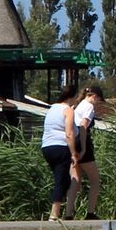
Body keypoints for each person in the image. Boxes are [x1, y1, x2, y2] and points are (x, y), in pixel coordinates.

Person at [42, 82, 81, 221]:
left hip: (47, 147)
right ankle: (54, 214)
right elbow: (69, 133)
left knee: (64, 179)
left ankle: (57, 209)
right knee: (60, 179)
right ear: (73, 96)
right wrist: (73, 153)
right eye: (76, 97)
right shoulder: (68, 111)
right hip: (60, 147)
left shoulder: (52, 108)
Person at [64, 85, 103, 219]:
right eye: (98, 100)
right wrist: (84, 148)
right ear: (94, 97)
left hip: (72, 143)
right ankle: (90, 212)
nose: (97, 103)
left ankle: (68, 213)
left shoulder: (78, 106)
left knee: (76, 179)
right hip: (82, 142)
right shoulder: (89, 106)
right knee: (95, 180)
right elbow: (83, 126)